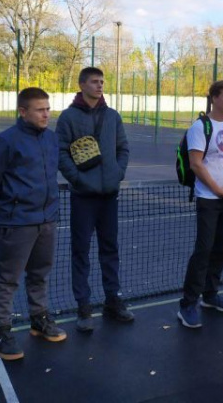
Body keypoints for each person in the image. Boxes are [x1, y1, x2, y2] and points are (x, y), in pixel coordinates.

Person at [0, 87, 66, 361]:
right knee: (8, 280)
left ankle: (39, 320)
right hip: (16, 224)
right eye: (40, 110)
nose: (46, 114)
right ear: (23, 111)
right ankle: (1, 333)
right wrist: (9, 208)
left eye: (48, 109)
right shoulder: (4, 142)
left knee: (39, 274)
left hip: (47, 221)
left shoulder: (51, 140)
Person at [56, 67, 133, 332]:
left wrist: (117, 173)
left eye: (102, 81)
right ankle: (84, 306)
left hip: (109, 196)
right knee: (81, 252)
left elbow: (123, 149)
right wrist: (78, 179)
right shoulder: (68, 117)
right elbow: (61, 152)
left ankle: (113, 300)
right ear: (81, 85)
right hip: (83, 198)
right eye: (94, 81)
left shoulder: (113, 116)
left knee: (110, 250)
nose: (100, 85)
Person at [177, 80, 223, 328]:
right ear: (214, 98)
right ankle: (187, 305)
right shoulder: (200, 127)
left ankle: (210, 295)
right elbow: (196, 163)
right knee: (203, 250)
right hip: (209, 199)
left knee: (222, 248)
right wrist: (217, 189)